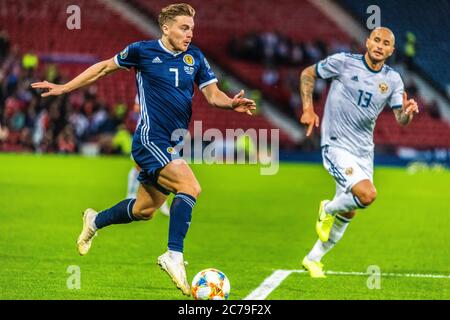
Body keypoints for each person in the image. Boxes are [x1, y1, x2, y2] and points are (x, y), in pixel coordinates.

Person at [31, 3, 256, 295]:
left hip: (172, 144)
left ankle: (94, 220)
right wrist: (64, 88)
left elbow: (213, 95)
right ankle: (173, 254)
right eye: (183, 28)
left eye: (192, 29)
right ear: (166, 27)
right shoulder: (142, 51)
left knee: (144, 210)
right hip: (150, 139)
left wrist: (231, 103)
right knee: (191, 187)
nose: (189, 34)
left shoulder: (195, 57)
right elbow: (102, 69)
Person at [299, 27, 419, 278]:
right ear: (367, 42)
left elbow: (401, 118)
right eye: (376, 40)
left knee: (351, 209)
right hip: (335, 145)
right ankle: (327, 208)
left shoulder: (393, 79)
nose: (379, 45)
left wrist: (407, 113)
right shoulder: (342, 62)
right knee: (367, 195)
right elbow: (308, 73)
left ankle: (312, 259)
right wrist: (308, 109)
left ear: (391, 50)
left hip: (364, 151)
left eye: (386, 43)